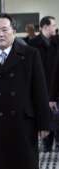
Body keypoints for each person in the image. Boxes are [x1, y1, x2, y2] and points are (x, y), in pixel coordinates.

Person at [0, 13, 51, 169]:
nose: (0, 34)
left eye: (4, 30)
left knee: (24, 166)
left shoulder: (30, 54)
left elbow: (40, 90)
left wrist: (44, 123)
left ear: (13, 31)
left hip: (22, 124)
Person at [29, 16, 59, 152]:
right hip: (40, 85)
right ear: (45, 27)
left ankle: (57, 143)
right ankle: (47, 144)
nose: (55, 28)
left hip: (56, 84)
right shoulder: (33, 44)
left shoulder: (57, 41)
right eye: (53, 25)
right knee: (44, 115)